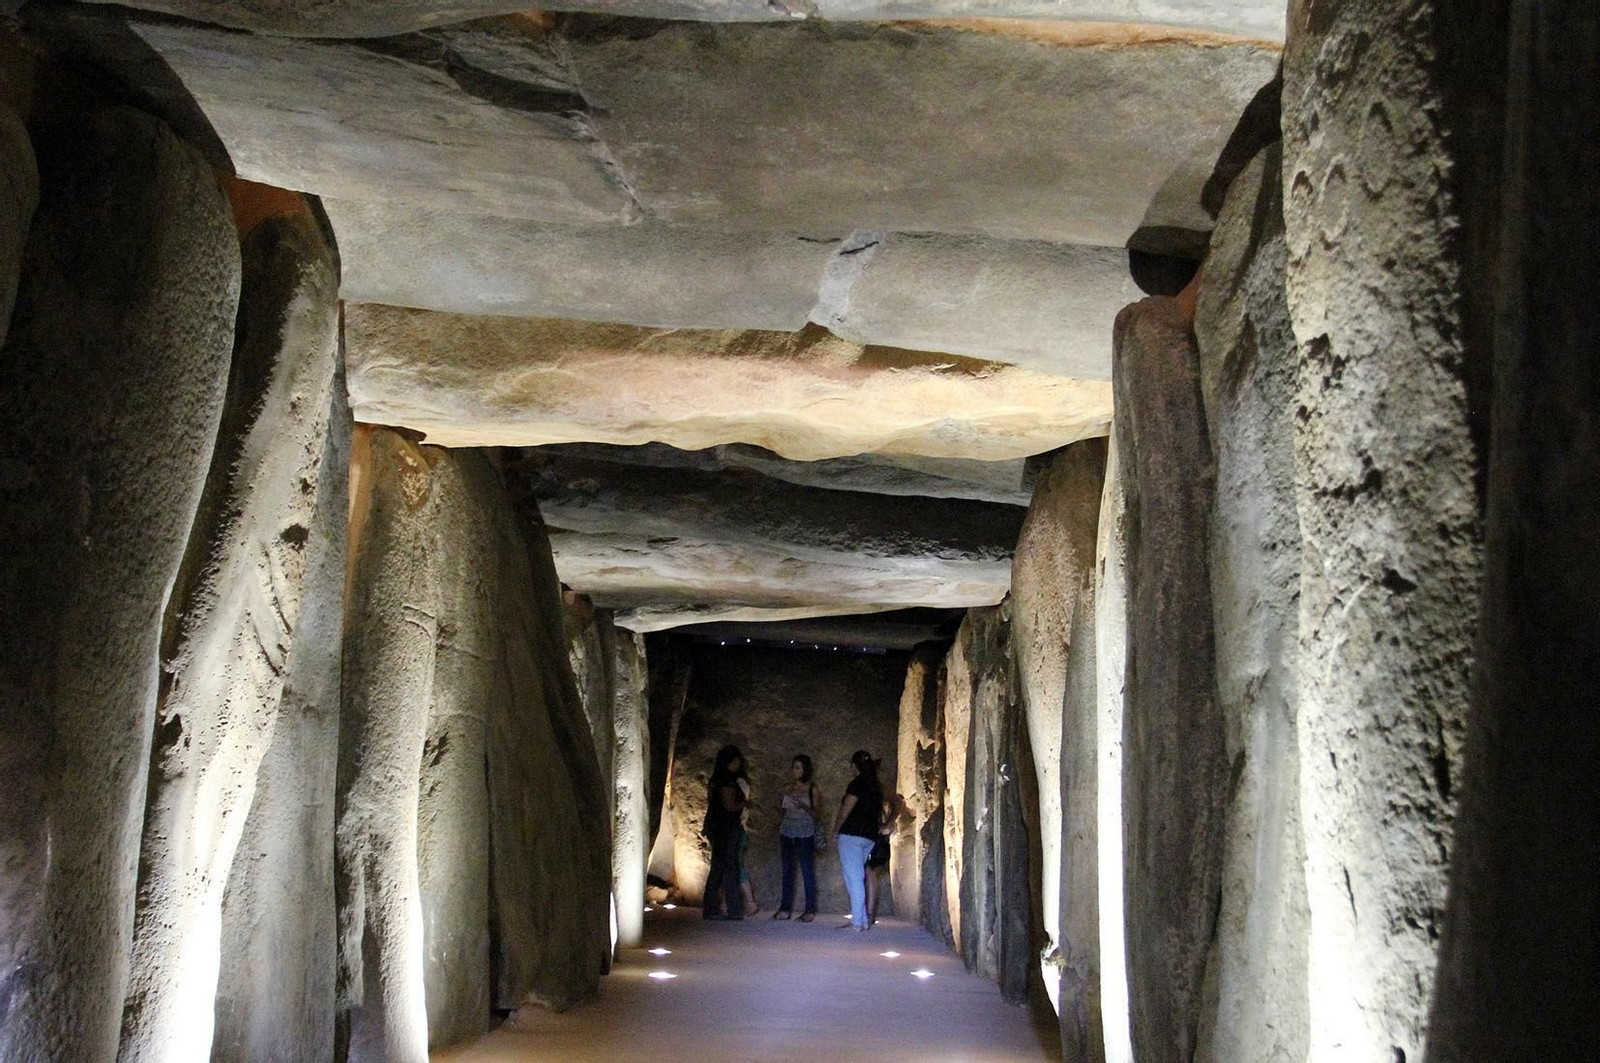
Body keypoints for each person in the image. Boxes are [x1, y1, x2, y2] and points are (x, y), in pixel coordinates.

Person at [832, 749, 883, 932]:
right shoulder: (876, 785)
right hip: (869, 836)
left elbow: (846, 809)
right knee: (855, 876)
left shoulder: (857, 784)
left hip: (852, 834)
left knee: (853, 878)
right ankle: (861, 919)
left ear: (854, 766)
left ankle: (858, 922)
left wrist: (836, 829)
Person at [773, 754, 822, 922]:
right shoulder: (787, 788)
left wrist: (803, 806)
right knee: (787, 871)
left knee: (807, 871)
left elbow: (817, 815)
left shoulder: (812, 789)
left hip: (805, 833)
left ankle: (810, 910)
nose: (794, 771)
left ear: (805, 770)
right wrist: (780, 804)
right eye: (793, 767)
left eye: (798, 767)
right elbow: (781, 811)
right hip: (787, 832)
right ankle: (785, 909)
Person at [702, 744, 748, 920]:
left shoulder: (716, 779)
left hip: (717, 826)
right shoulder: (727, 781)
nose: (738, 764)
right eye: (736, 761)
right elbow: (729, 805)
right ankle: (731, 909)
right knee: (727, 867)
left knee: (719, 867)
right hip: (727, 827)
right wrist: (745, 804)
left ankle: (714, 908)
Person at [865, 790, 905, 924]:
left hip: (877, 841)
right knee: (867, 874)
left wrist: (887, 823)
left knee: (870, 873)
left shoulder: (878, 793)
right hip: (870, 839)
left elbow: (898, 801)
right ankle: (867, 912)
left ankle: (869, 913)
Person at [734, 775, 762, 918]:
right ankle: (747, 903)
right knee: (736, 866)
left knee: (736, 866)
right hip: (739, 830)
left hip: (737, 831)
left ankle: (750, 903)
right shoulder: (741, 783)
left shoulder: (738, 783)